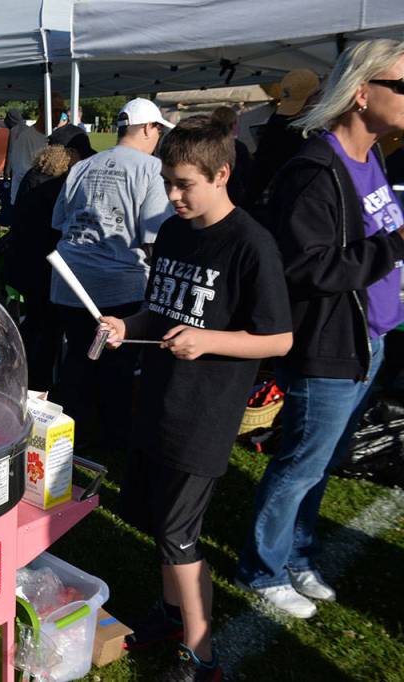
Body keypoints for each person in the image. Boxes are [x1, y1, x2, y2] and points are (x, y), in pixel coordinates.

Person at [101, 116, 293, 682]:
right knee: (161, 522)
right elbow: (160, 309)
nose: (174, 195)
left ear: (222, 174)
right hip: (159, 397)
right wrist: (124, 324)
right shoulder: (177, 232)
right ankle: (169, 615)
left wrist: (207, 340)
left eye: (185, 183)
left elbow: (279, 337)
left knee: (181, 533)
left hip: (205, 413)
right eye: (168, 182)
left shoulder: (252, 245)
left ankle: (203, 653)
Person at [236, 39, 404, 619]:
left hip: (369, 340)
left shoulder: (372, 158)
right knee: (300, 464)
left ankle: (298, 555)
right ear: (362, 93)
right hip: (328, 344)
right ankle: (263, 568)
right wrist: (393, 248)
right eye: (401, 86)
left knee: (323, 461)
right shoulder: (314, 170)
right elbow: (305, 267)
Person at [49, 97, 174, 449]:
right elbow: (154, 234)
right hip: (119, 285)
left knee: (78, 356)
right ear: (148, 128)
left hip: (70, 279)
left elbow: (59, 220)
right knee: (116, 365)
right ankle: (113, 437)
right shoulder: (150, 169)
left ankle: (71, 432)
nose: (159, 137)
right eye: (158, 130)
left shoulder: (84, 166)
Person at [3, 143, 80, 390]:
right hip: (45, 263)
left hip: (22, 259)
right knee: (46, 326)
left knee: (31, 320)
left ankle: (19, 369)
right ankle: (38, 380)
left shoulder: (31, 177)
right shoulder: (56, 187)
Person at [242, 69, 321, 212]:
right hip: (279, 207)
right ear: (314, 96)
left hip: (261, 202)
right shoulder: (297, 128)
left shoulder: (277, 119)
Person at [209, 106, 253, 207]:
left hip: (213, 194)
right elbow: (248, 175)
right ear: (233, 125)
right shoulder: (238, 147)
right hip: (234, 196)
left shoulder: (206, 145)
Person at [4, 108, 47, 207]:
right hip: (31, 168)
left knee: (16, 198)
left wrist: (7, 171)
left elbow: (11, 151)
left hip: (19, 169)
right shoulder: (28, 129)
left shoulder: (15, 130)